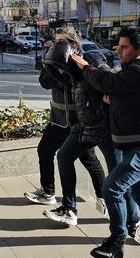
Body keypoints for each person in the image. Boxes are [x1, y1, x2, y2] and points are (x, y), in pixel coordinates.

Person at [71, 26, 140, 258]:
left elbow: (105, 81)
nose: (118, 51)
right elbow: (124, 92)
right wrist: (114, 98)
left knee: (112, 186)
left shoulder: (139, 72)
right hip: (139, 145)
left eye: (124, 47)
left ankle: (116, 241)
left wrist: (84, 65)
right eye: (118, 46)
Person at [42, 40, 140, 239]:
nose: (61, 73)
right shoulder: (69, 71)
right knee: (64, 156)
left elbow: (110, 81)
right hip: (85, 126)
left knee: (118, 177)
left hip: (107, 129)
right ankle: (69, 208)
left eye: (62, 69)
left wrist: (110, 96)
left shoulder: (93, 62)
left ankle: (134, 220)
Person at [24, 28, 105, 206]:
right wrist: (55, 69)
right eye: (56, 41)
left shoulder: (86, 60)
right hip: (59, 119)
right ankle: (48, 192)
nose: (58, 45)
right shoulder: (52, 59)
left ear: (74, 44)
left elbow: (96, 81)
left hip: (80, 120)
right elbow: (44, 82)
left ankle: (104, 196)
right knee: (44, 150)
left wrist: (70, 70)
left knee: (88, 159)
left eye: (63, 42)